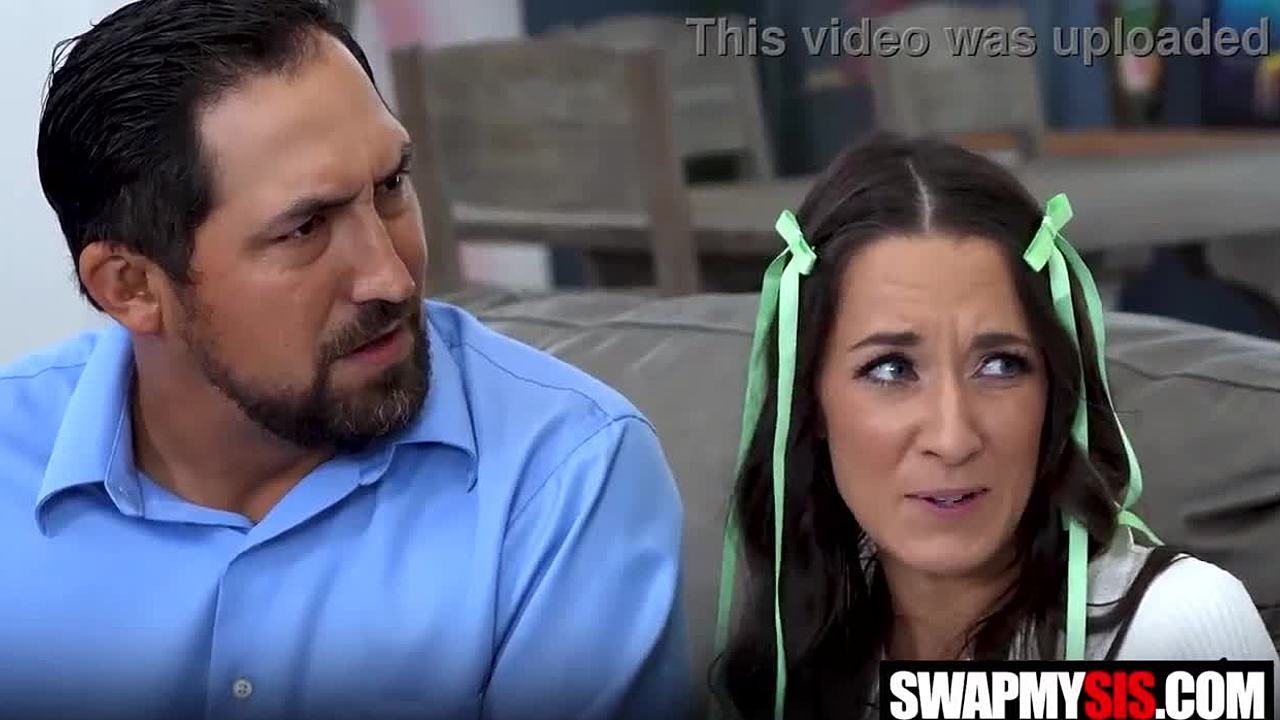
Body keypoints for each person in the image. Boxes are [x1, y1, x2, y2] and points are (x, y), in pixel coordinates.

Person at [0, 2, 689, 719]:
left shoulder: (562, 474)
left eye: (390, 186)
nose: (391, 278)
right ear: (132, 287)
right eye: (306, 228)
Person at [711, 134, 1278, 719]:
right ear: (811, 401)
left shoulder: (1173, 632)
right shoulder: (808, 639)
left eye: (1001, 365)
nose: (953, 438)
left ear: (1054, 394)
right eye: (892, 369)